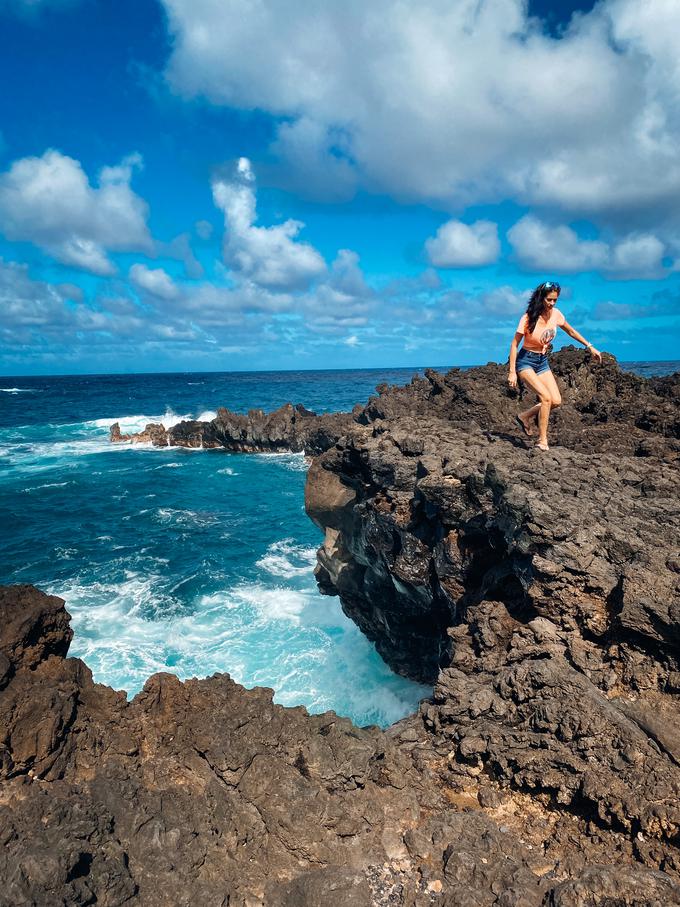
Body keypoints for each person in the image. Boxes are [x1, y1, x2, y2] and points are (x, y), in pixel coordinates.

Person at [508, 281, 602, 451]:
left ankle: (525, 416)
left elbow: (571, 331)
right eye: (549, 300)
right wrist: (512, 372)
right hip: (526, 361)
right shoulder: (528, 318)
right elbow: (514, 344)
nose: (551, 303)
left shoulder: (556, 314)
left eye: (555, 300)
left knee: (556, 401)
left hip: (542, 361)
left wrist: (590, 347)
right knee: (545, 398)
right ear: (541, 298)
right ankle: (542, 441)